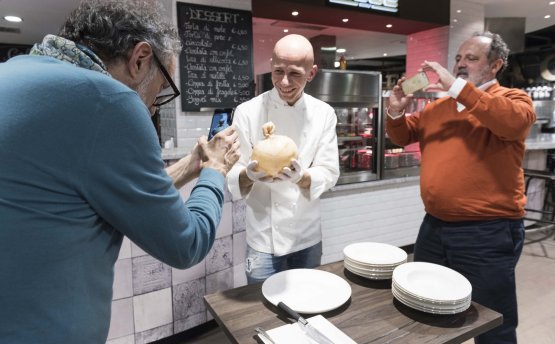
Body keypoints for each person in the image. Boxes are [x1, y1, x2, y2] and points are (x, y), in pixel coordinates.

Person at [0, 1, 240, 343]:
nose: (154, 107)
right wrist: (215, 170)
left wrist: (192, 164)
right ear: (140, 58)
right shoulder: (108, 102)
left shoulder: (14, 71)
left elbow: (117, 196)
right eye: (160, 90)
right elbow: (186, 244)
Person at [386, 31, 536, 343]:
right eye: (458, 58)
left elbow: (511, 122)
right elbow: (402, 136)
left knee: (493, 321)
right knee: (424, 306)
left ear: (495, 66)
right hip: (434, 228)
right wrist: (397, 110)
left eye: (471, 58)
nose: (460, 64)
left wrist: (457, 89)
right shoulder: (437, 109)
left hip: (488, 231)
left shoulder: (512, 100)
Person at [227, 34, 340, 284]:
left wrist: (302, 177)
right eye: (278, 71)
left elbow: (330, 171)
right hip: (263, 239)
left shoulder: (324, 114)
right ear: (271, 66)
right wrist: (249, 175)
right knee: (260, 309)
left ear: (311, 73)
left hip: (307, 236)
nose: (284, 82)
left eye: (296, 74)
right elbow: (233, 171)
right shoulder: (247, 112)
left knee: (307, 302)